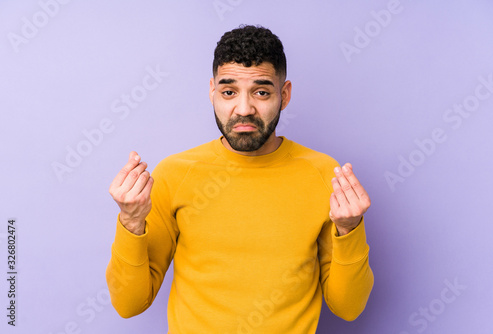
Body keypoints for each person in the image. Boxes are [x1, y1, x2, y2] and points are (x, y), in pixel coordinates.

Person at [106, 24, 374, 333]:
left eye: (261, 92)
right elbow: (129, 304)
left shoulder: (324, 174)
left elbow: (349, 308)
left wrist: (349, 228)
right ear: (212, 92)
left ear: (284, 95)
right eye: (229, 92)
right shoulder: (175, 174)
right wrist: (131, 221)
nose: (243, 109)